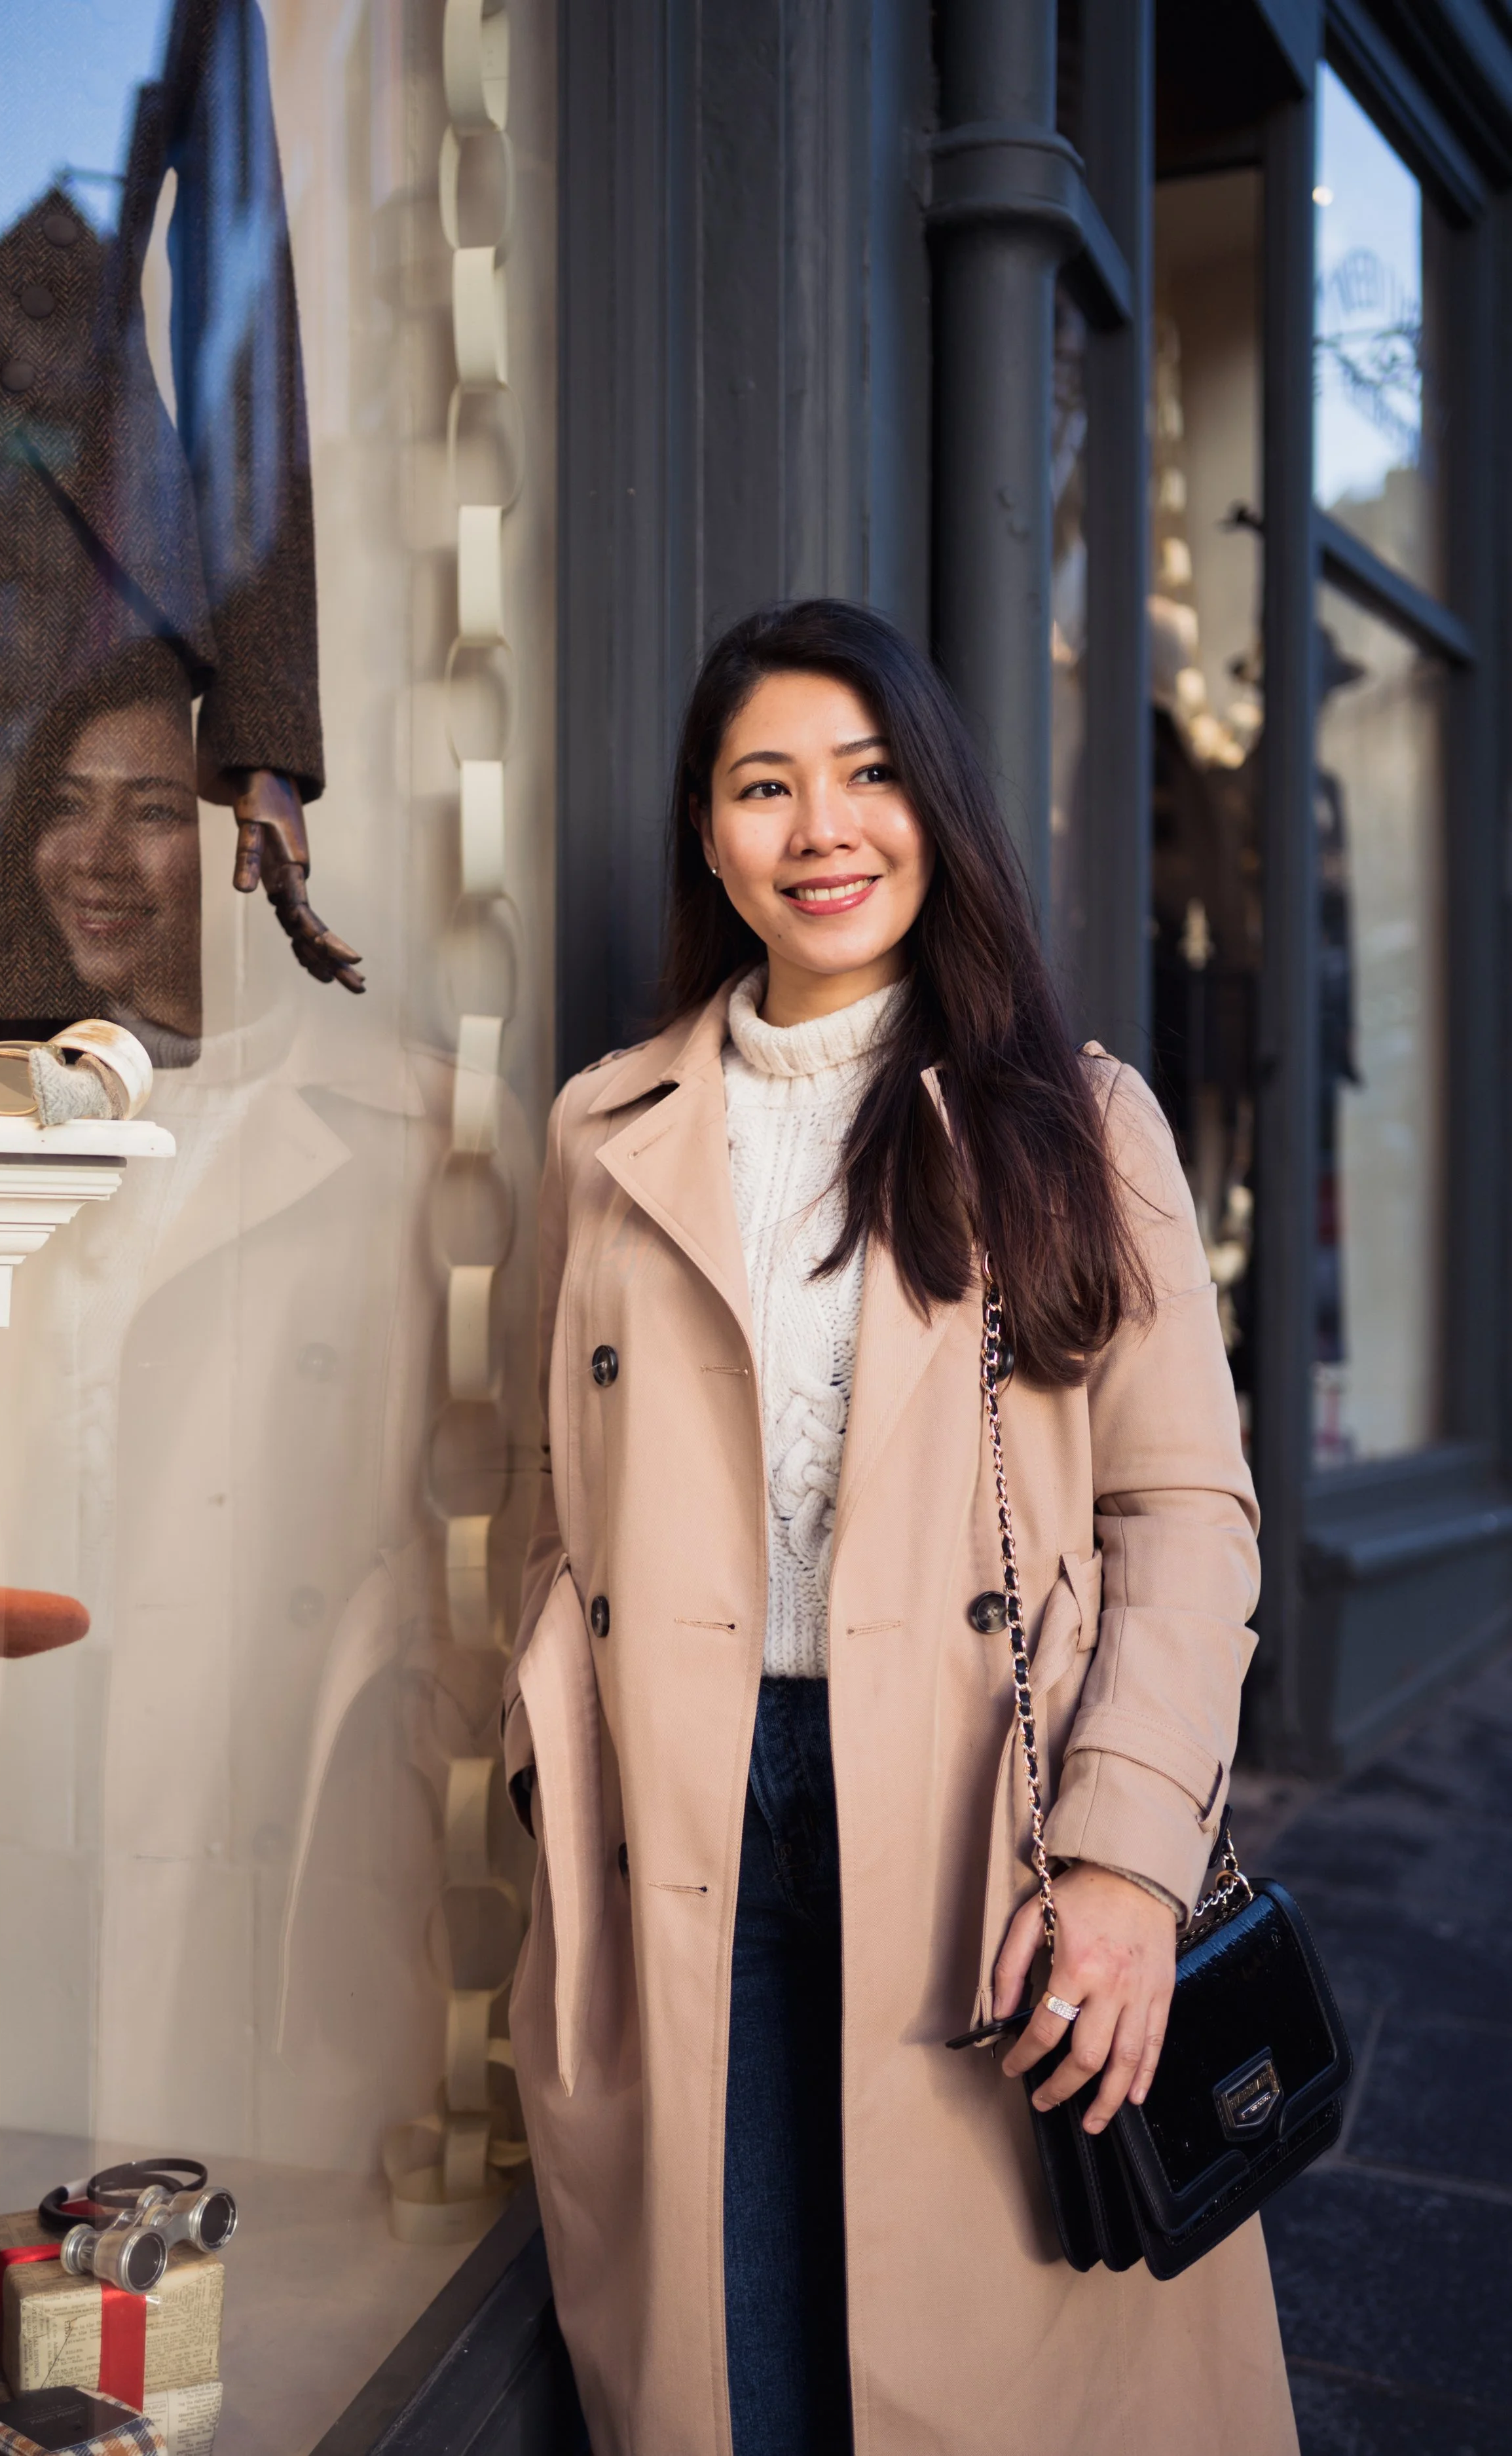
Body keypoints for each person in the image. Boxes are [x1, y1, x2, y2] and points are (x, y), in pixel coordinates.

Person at [502, 599, 1297, 2456]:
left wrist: (1118, 1856)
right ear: (706, 831)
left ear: (932, 809)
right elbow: (542, 1496)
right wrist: (550, 1761)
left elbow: (1182, 1511)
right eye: (763, 785)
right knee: (738, 2371)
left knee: (986, 2366)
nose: (821, 828)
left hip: (980, 1823)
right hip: (682, 1831)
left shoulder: (1069, 1119)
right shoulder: (599, 1134)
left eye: (865, 777)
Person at [0, 642, 203, 1064]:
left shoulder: (323, 1074)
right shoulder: (0, 1064)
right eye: (67, 805)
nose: (94, 860)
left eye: (153, 811)